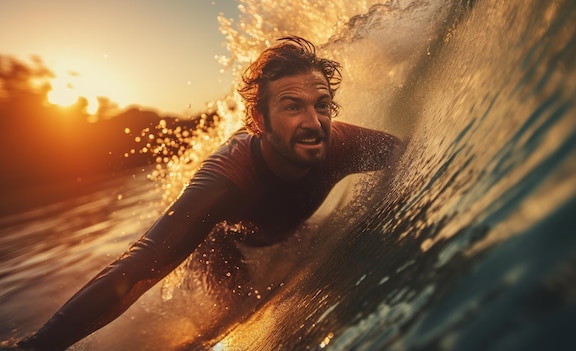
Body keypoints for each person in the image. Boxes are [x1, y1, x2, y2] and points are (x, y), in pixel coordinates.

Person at [13, 36, 402, 350]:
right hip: (223, 246)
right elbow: (136, 267)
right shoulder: (225, 183)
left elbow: (412, 152)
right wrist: (39, 345)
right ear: (258, 120)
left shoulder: (341, 144)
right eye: (292, 107)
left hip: (282, 226)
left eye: (322, 105)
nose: (313, 122)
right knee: (238, 311)